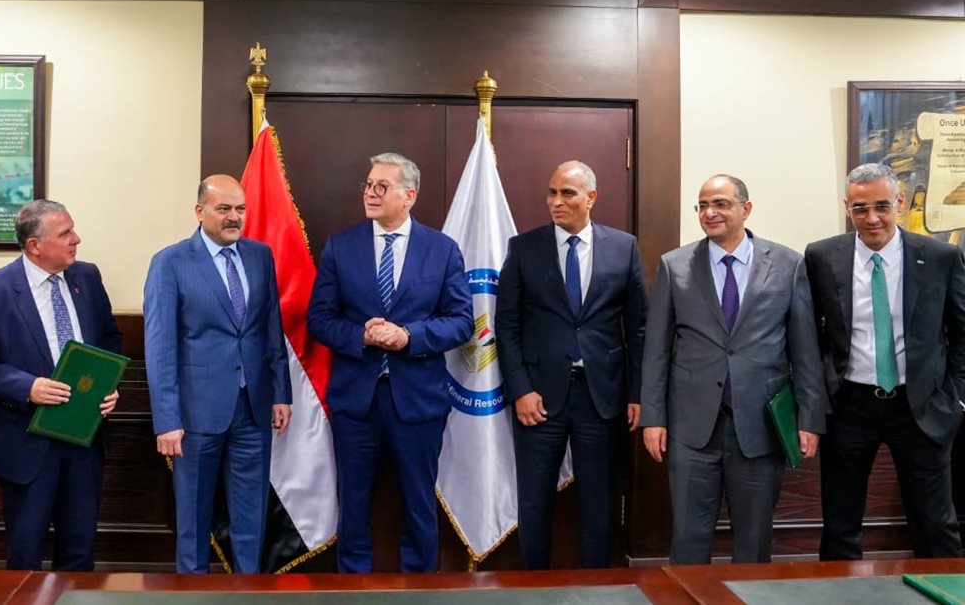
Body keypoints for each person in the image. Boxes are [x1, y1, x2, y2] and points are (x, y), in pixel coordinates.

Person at [640, 174, 826, 564]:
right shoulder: (675, 266)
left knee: (754, 543)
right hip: (692, 428)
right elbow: (656, 350)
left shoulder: (787, 264)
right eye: (703, 205)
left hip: (760, 427)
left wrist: (809, 419)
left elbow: (805, 350)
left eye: (721, 204)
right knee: (688, 540)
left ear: (746, 208)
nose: (710, 213)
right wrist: (653, 418)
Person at [308, 152, 472, 573]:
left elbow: (461, 322)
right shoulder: (341, 247)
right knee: (354, 502)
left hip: (418, 401)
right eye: (367, 185)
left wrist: (408, 336)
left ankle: (419, 589)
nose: (370, 193)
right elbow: (319, 319)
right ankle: (352, 589)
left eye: (382, 186)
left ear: (409, 195)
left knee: (418, 503)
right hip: (355, 403)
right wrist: (360, 335)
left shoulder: (442, 250)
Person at [805, 163, 964, 559]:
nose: (872, 218)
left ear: (900, 202)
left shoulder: (940, 257)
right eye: (860, 208)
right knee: (840, 523)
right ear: (847, 208)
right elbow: (809, 335)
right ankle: (840, 591)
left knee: (934, 522)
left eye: (881, 206)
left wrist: (957, 399)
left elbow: (961, 333)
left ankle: (944, 588)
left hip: (920, 406)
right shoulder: (822, 256)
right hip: (849, 405)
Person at [0, 199, 121, 571]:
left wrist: (109, 385)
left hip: (84, 438)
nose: (76, 239)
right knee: (26, 552)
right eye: (65, 233)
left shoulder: (87, 277)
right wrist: (26, 387)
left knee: (79, 551)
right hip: (26, 440)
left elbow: (109, 339)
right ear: (35, 245)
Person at [495, 161, 646, 569]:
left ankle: (596, 588)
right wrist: (521, 389)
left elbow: (639, 328)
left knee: (599, 500)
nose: (556, 201)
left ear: (590, 198)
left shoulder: (624, 247)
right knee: (534, 500)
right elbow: (506, 325)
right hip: (539, 397)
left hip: (602, 396)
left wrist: (637, 394)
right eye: (552, 193)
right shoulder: (524, 248)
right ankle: (534, 585)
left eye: (567, 193)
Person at [144, 174, 292, 574]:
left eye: (240, 209)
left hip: (253, 408)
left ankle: (247, 594)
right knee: (193, 518)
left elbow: (270, 329)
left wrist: (281, 392)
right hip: (195, 415)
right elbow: (160, 348)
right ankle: (193, 594)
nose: (234, 217)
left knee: (251, 515)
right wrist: (167, 420)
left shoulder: (260, 256)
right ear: (199, 211)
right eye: (223, 209)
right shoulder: (170, 263)